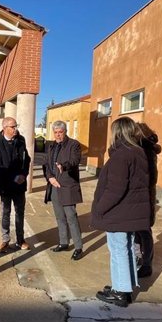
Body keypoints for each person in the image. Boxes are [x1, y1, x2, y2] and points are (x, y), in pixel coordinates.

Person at [91, 117, 151, 307]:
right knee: (126, 249)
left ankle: (122, 292)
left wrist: (99, 209)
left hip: (120, 212)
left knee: (118, 250)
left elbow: (115, 189)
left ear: (117, 132)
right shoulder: (138, 151)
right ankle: (122, 285)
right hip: (130, 212)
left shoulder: (122, 154)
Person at [43, 120, 84, 260]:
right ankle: (63, 242)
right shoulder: (51, 146)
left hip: (67, 187)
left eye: (60, 132)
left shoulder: (74, 144)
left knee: (71, 217)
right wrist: (50, 178)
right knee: (60, 217)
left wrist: (64, 166)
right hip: (54, 185)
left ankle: (78, 247)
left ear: (65, 132)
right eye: (55, 132)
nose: (58, 135)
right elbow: (46, 164)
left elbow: (74, 161)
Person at [0, 117, 31, 253]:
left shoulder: (21, 140)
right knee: (5, 213)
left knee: (20, 212)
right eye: (13, 127)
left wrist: (23, 175)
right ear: (5, 128)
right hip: (5, 186)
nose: (15, 129)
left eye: (16, 126)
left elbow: (27, 160)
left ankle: (20, 240)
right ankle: (5, 240)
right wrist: (14, 177)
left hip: (19, 185)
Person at [135, 122, 162, 278]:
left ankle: (147, 264)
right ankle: (139, 258)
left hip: (143, 197)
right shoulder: (142, 149)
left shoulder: (146, 150)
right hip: (139, 197)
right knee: (137, 230)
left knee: (144, 231)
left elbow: (151, 177)